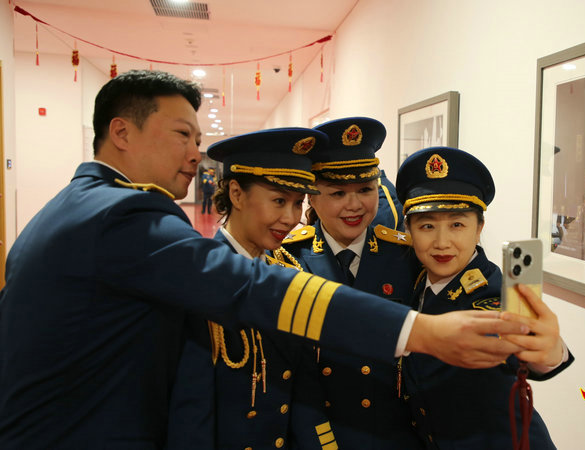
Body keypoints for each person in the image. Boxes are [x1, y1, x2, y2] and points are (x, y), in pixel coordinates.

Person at [0, 70, 530, 448]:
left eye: (197, 139)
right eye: (182, 135)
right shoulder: (119, 214)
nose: (195, 154)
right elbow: (249, 290)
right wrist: (423, 332)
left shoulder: (81, 205)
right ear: (121, 132)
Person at [169, 128, 339, 449]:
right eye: (279, 201)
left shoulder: (289, 271)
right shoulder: (201, 283)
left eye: (298, 203)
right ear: (236, 194)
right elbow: (190, 409)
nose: (290, 218)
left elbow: (304, 388)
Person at [396, 147, 574, 449]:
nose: (442, 242)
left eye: (457, 224)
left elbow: (515, 339)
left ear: (479, 228)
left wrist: (551, 351)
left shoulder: (492, 293)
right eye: (427, 226)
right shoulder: (414, 281)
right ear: (409, 230)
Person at [277, 117, 424, 448]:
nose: (354, 205)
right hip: (318, 435)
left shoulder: (406, 257)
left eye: (365, 190)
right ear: (311, 198)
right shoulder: (288, 261)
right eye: (338, 193)